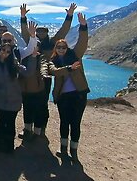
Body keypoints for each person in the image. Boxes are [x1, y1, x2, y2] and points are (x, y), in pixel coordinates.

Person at [20, 3, 77, 134]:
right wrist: (23, 17)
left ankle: (39, 129)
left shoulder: (52, 43)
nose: (40, 33)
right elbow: (24, 32)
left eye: (43, 31)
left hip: (45, 78)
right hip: (29, 76)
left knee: (42, 104)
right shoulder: (31, 41)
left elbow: (64, 30)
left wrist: (69, 16)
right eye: (38, 31)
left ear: (47, 33)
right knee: (27, 101)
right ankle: (27, 128)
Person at [0, 18, 37, 141]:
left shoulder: (18, 52)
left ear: (14, 41)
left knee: (9, 120)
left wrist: (33, 36)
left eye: (9, 40)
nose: (7, 43)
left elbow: (30, 49)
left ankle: (7, 145)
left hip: (12, 93)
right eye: (4, 40)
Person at [45, 12, 89, 162]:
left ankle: (74, 150)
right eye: (59, 47)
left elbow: (82, 43)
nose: (62, 49)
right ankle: (63, 148)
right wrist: (70, 68)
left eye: (64, 47)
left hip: (79, 95)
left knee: (75, 123)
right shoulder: (53, 61)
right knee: (64, 122)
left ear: (67, 47)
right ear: (55, 49)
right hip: (63, 97)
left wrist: (83, 26)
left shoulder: (75, 55)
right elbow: (54, 72)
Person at [0, 43, 37, 153]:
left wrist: (33, 57)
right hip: (0, 100)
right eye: (3, 49)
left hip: (14, 100)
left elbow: (28, 73)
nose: (5, 52)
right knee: (0, 123)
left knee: (10, 124)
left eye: (8, 51)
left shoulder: (15, 65)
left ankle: (9, 146)